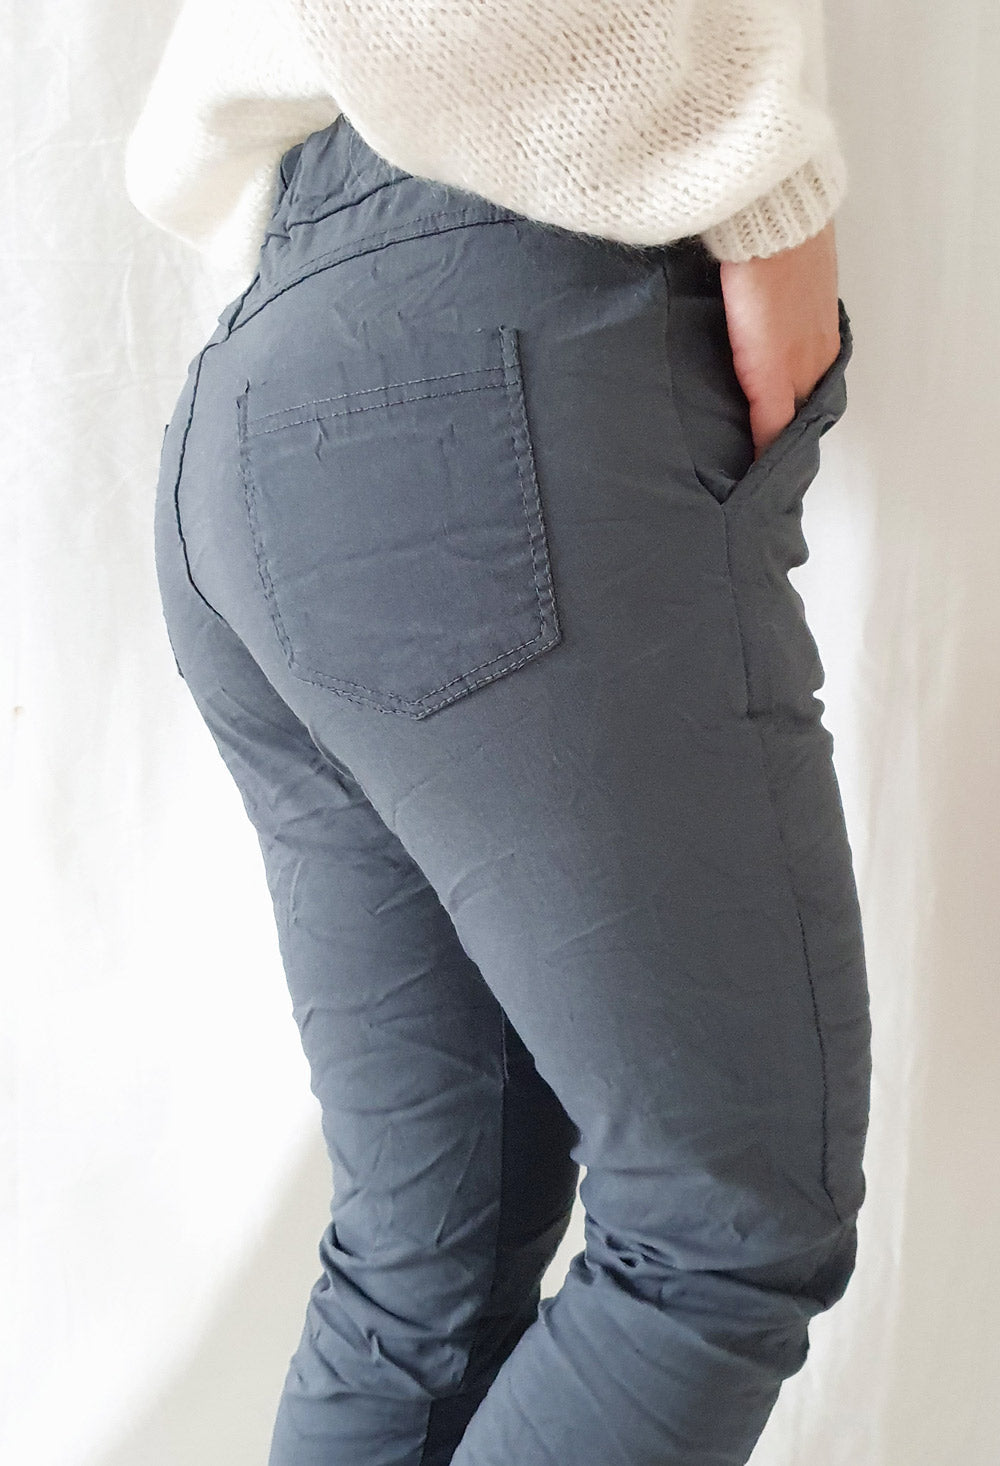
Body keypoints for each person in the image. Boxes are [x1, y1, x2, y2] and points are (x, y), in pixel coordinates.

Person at [125, 4, 872, 1464]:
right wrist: (768, 191)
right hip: (502, 346)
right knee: (720, 1235)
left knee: (424, 1274)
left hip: (281, 393)